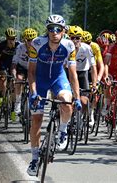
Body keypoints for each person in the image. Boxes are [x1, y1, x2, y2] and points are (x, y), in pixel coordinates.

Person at [26, 15, 81, 176]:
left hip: (58, 78)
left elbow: (72, 75)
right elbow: (31, 72)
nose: (54, 32)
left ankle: (63, 130)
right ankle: (35, 159)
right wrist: (34, 92)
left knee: (67, 101)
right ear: (47, 30)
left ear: (64, 31)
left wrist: (76, 97)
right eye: (51, 28)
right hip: (40, 81)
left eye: (58, 29)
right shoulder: (37, 43)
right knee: (36, 120)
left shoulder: (69, 45)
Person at [11, 28, 38, 121]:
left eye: (33, 40)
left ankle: (33, 103)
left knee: (34, 84)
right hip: (22, 67)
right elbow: (14, 63)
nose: (31, 42)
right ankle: (17, 104)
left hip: (34, 68)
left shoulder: (38, 47)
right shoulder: (20, 47)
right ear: (24, 40)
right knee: (19, 79)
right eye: (28, 40)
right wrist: (14, 74)